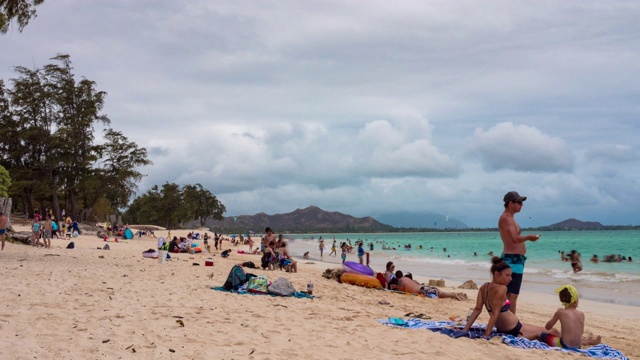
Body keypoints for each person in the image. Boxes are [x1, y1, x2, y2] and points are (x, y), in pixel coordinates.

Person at [462, 257, 553, 339]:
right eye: (507, 275)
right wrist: (486, 335)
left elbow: (477, 309)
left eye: (511, 275)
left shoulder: (484, 287)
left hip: (506, 328)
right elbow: (495, 313)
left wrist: (465, 330)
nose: (510, 279)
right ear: (497, 274)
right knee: (553, 331)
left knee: (547, 331)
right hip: (514, 328)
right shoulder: (502, 289)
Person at [499, 191, 540, 314]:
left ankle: (509, 321)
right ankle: (510, 323)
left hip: (516, 260)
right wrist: (529, 237)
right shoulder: (506, 218)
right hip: (511, 260)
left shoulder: (510, 219)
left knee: (511, 295)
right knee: (511, 295)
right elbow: (514, 239)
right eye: (519, 202)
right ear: (510, 203)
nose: (521, 205)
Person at [396, 271, 467, 300]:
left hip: (422, 290)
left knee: (441, 294)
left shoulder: (401, 280)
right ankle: (460, 294)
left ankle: (454, 294)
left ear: (397, 277)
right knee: (440, 292)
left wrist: (397, 288)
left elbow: (401, 291)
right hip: (424, 288)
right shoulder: (410, 280)